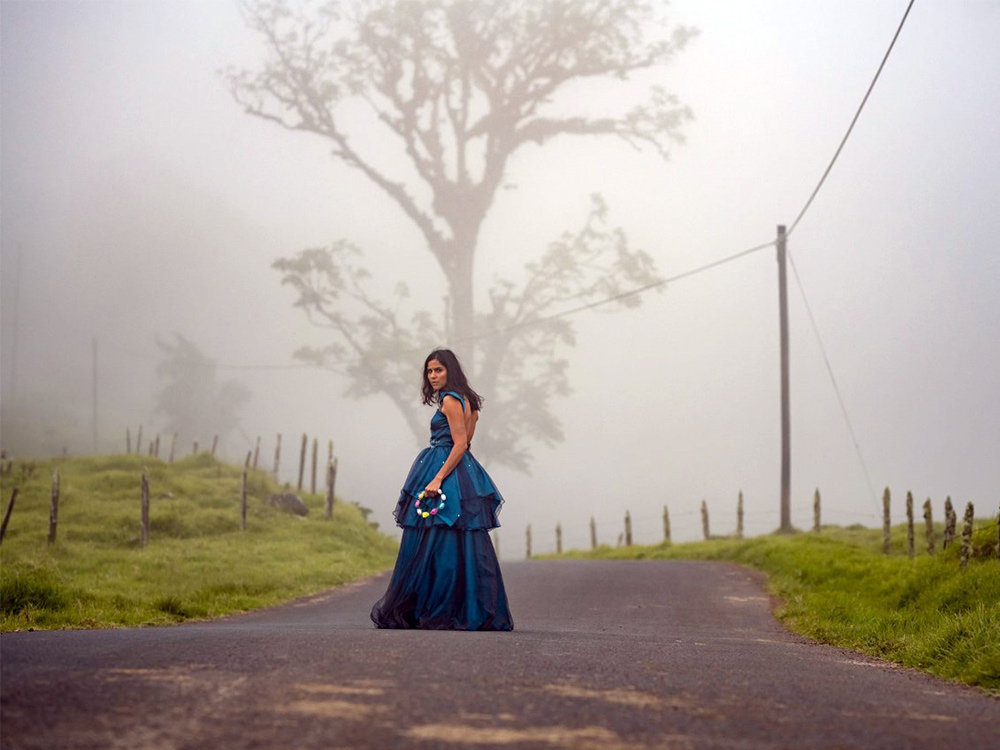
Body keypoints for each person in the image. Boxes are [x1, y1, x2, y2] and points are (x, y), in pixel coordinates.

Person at [370, 348, 513, 630]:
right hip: (461, 470)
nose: (433, 376)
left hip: (445, 467)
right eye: (430, 371)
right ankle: (461, 608)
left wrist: (436, 479)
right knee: (455, 539)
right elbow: (468, 443)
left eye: (439, 370)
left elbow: (460, 444)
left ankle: (437, 609)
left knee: (435, 537)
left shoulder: (450, 400)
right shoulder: (468, 401)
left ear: (451, 371)